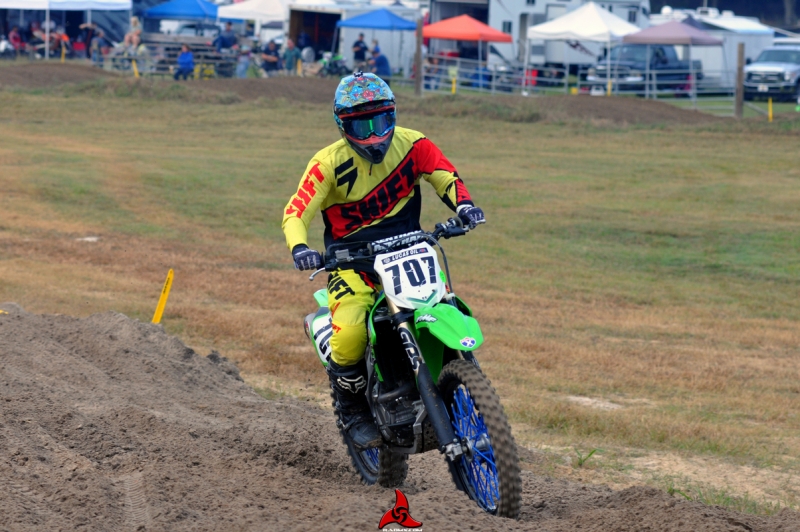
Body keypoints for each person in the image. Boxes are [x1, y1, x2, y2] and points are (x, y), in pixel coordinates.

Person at [281, 73, 485, 449]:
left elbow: (445, 176)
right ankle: (352, 410)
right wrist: (300, 248)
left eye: (382, 121)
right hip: (352, 263)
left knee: (442, 303)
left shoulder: (414, 144)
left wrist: (465, 206)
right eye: (363, 126)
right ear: (344, 126)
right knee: (351, 333)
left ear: (394, 115)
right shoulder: (327, 164)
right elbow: (296, 211)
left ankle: (458, 382)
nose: (375, 135)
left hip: (411, 251)